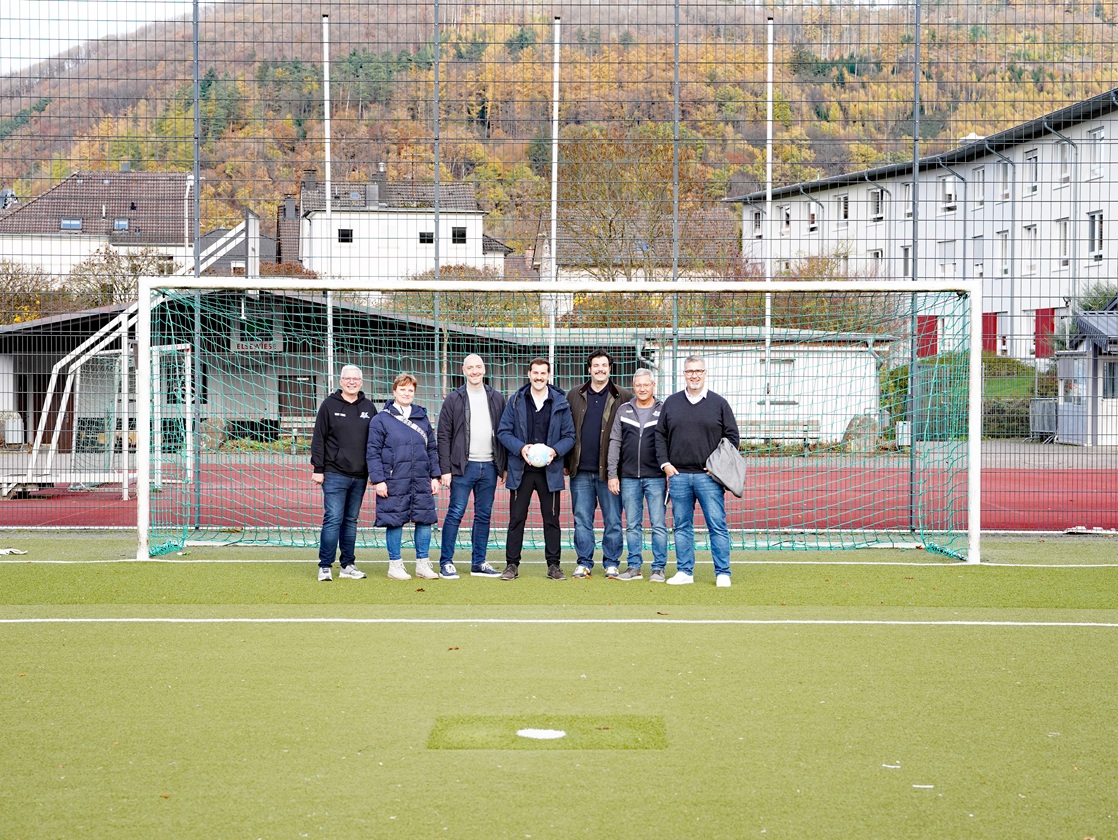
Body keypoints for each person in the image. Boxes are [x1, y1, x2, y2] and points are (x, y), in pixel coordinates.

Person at [654, 355, 740, 587]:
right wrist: (665, 464)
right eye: (690, 371)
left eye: (698, 371)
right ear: (684, 374)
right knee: (681, 526)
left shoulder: (719, 403)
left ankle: (723, 573)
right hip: (679, 476)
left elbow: (732, 438)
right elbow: (659, 435)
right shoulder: (671, 403)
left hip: (709, 478)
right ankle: (685, 572)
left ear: (705, 373)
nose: (694, 375)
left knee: (717, 525)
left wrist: (717, 468)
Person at [496, 357, 575, 581]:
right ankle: (511, 565)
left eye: (543, 373)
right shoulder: (516, 401)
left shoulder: (560, 402)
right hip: (521, 470)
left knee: (551, 519)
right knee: (516, 518)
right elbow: (503, 432)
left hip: (550, 472)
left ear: (549, 376)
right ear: (529, 374)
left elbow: (570, 436)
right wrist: (521, 448)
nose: (539, 377)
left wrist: (554, 451)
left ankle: (554, 566)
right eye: (535, 373)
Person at [436, 353, 507, 579]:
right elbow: (443, 435)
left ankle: (479, 562)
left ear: (484, 370)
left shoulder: (497, 398)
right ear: (464, 371)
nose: (475, 371)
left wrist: (503, 465)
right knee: (455, 513)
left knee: (484, 515)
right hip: (462, 467)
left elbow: (504, 433)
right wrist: (445, 469)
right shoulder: (453, 399)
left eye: (478, 367)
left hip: (489, 466)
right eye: (470, 368)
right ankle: (446, 562)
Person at [366, 373, 442, 581]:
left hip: (420, 478)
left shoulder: (422, 418)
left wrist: (435, 476)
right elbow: (372, 451)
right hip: (393, 479)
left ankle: (423, 564)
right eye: (403, 389)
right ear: (394, 391)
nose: (407, 393)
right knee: (394, 521)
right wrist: (379, 479)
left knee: (424, 520)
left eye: (410, 390)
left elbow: (432, 449)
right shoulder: (380, 419)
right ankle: (395, 565)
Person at [566, 349, 632, 579]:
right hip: (580, 471)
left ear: (610, 368)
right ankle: (584, 562)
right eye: (596, 365)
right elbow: (566, 430)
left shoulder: (623, 395)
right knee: (582, 519)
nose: (600, 369)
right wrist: (567, 462)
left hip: (610, 473)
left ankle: (611, 562)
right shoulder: (574, 395)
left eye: (604, 365)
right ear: (589, 369)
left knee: (613, 520)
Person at [310, 365, 377, 582]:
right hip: (334, 473)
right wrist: (318, 469)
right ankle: (325, 565)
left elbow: (375, 443)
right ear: (340, 382)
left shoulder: (369, 407)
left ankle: (347, 564)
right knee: (333, 519)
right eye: (347, 379)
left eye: (355, 379)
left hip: (360, 476)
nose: (351, 382)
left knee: (351, 521)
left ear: (361, 382)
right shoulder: (329, 405)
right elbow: (318, 439)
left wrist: (376, 473)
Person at [607, 368, 667, 582]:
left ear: (653, 386)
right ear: (634, 387)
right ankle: (634, 567)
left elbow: (671, 441)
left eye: (646, 385)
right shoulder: (623, 410)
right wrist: (612, 473)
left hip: (656, 478)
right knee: (632, 525)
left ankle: (658, 568)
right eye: (638, 385)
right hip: (629, 477)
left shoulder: (664, 409)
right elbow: (615, 442)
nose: (642, 389)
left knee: (658, 524)